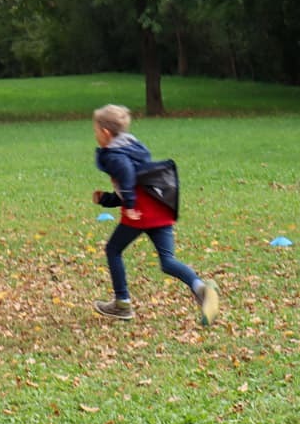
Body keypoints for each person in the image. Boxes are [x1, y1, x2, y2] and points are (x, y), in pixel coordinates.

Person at [90, 103, 219, 324]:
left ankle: (122, 303)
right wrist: (106, 199)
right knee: (167, 261)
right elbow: (135, 181)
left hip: (140, 211)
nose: (95, 136)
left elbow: (127, 176)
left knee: (113, 249)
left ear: (106, 132)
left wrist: (131, 206)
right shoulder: (132, 145)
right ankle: (201, 288)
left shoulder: (114, 154)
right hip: (159, 205)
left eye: (95, 131)